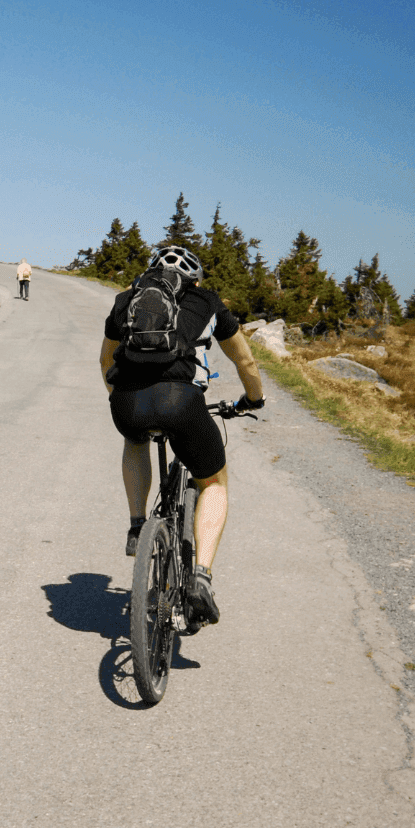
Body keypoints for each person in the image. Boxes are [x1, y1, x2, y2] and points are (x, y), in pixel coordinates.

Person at [99, 244, 264, 627]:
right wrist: (253, 399)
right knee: (214, 483)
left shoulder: (127, 299)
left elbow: (106, 361)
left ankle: (138, 526)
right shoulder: (208, 302)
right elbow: (245, 360)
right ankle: (202, 578)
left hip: (127, 403)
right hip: (182, 401)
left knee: (135, 438)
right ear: (195, 279)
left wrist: (121, 398)